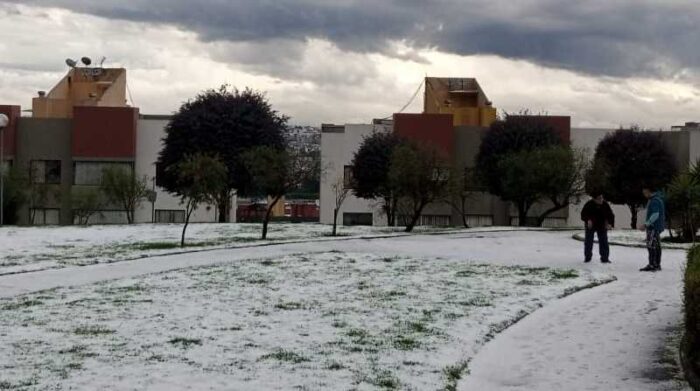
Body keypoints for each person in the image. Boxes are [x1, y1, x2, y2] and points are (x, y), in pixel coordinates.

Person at [580, 193, 615, 263]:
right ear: (594, 199)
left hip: (601, 224)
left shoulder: (605, 205)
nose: (601, 200)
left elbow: (611, 215)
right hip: (591, 224)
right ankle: (587, 257)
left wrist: (610, 224)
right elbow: (583, 214)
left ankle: (605, 258)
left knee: (604, 240)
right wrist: (587, 220)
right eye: (599, 198)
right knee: (588, 241)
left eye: (602, 198)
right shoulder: (589, 204)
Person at [639, 186, 666, 272]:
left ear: (648, 191)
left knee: (651, 245)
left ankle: (652, 264)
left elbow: (655, 214)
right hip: (657, 227)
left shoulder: (654, 201)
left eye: (644, 193)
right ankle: (657, 264)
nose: (644, 195)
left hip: (653, 227)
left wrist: (646, 224)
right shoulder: (658, 199)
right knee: (657, 245)